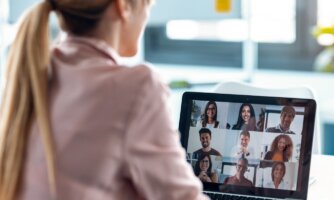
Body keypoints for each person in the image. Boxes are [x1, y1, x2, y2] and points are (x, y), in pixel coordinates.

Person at [0, 0, 208, 199]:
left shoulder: (34, 73)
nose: (146, 16)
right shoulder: (137, 87)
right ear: (123, 6)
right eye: (147, 4)